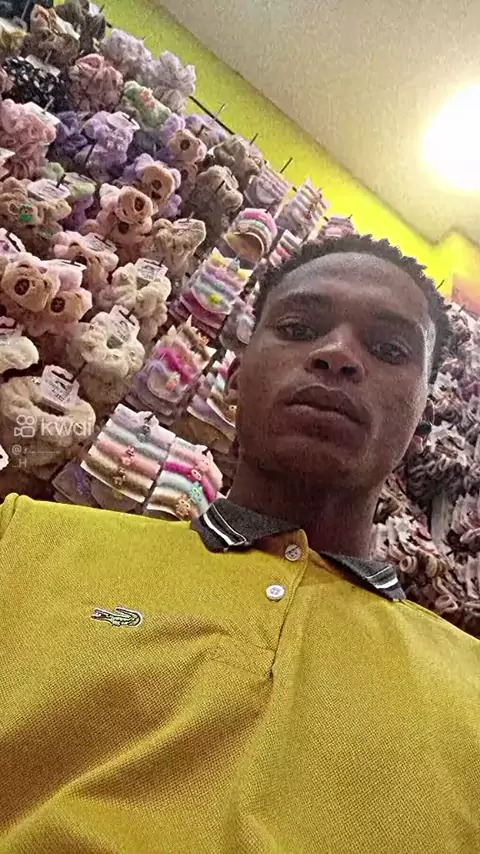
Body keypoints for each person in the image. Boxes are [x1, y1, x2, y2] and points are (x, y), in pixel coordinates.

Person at [0, 234, 478, 853]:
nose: (338, 355)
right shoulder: (26, 542)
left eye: (389, 348)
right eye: (299, 329)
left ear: (419, 423)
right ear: (233, 378)